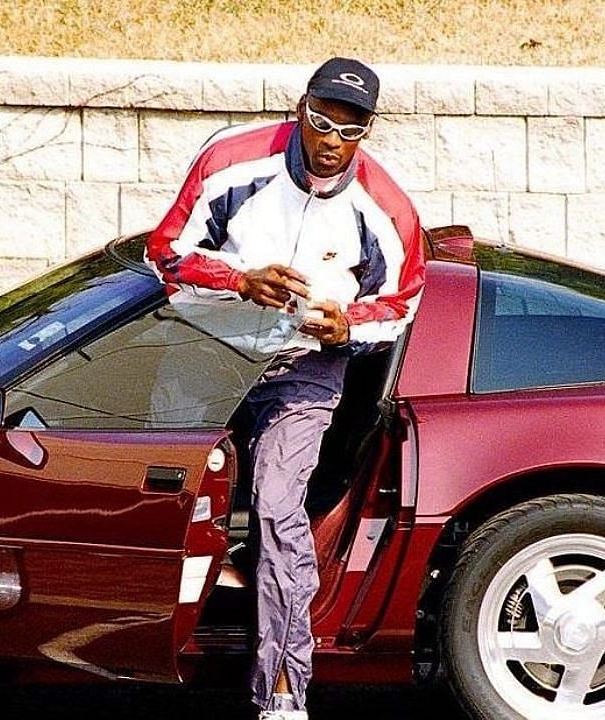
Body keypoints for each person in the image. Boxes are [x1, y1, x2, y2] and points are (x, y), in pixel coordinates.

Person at [145, 56, 426, 720]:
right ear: (300, 108)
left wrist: (344, 325)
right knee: (165, 497)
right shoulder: (232, 162)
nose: (332, 141)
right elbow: (165, 253)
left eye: (351, 130)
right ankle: (141, 659)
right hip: (211, 349)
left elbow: (403, 300)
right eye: (323, 120)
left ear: (367, 132)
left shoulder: (384, 206)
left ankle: (282, 689)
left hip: (305, 368)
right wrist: (239, 281)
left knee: (277, 510)